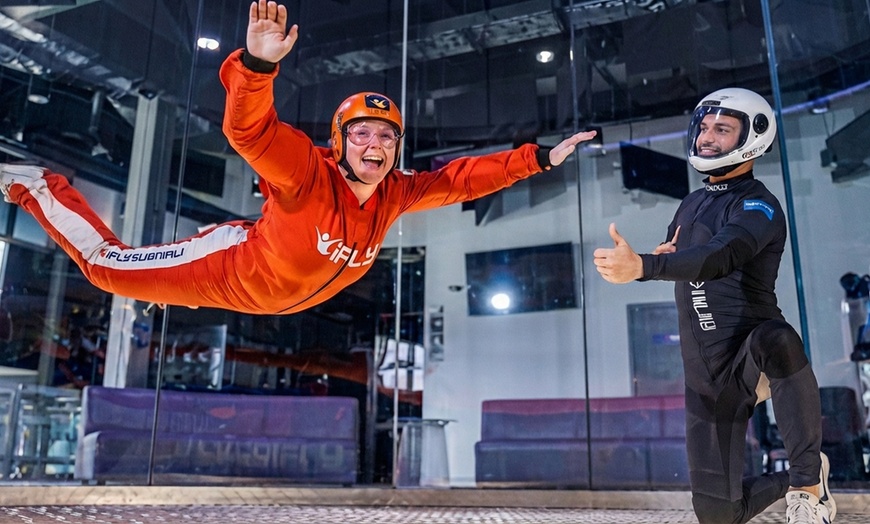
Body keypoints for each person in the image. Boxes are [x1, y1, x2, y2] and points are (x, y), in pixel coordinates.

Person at [0, 0, 596, 316]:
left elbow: (462, 180)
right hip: (228, 269)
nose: (375, 145)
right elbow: (250, 131)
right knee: (106, 269)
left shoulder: (396, 193)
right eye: (361, 134)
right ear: (339, 141)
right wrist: (258, 66)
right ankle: (36, 183)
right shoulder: (307, 172)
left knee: (148, 283)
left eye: (387, 137)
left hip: (265, 301)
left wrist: (539, 159)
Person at [592, 87, 835, 524]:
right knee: (718, 514)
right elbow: (691, 261)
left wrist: (645, 266)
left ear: (753, 136)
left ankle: (808, 488)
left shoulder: (759, 205)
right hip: (707, 375)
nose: (707, 137)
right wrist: (663, 258)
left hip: (754, 354)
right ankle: (805, 474)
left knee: (777, 338)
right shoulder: (691, 203)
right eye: (704, 127)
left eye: (722, 129)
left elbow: (721, 256)